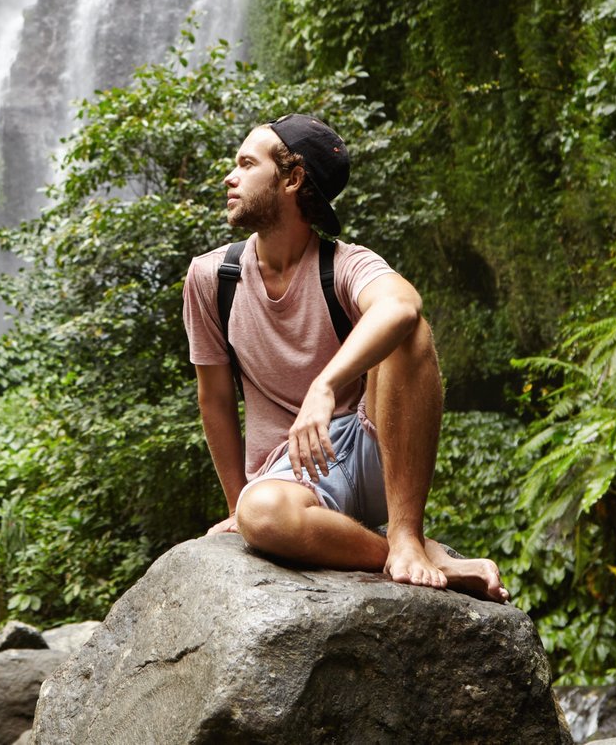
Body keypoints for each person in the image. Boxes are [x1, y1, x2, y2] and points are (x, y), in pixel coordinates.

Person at [182, 114, 508, 601]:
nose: (230, 177)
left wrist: (325, 386)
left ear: (292, 179)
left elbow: (402, 305)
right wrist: (237, 505)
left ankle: (405, 532)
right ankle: (406, 550)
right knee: (262, 514)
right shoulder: (212, 279)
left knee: (408, 331)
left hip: (374, 446)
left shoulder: (345, 264)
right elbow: (215, 400)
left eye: (247, 165)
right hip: (291, 474)